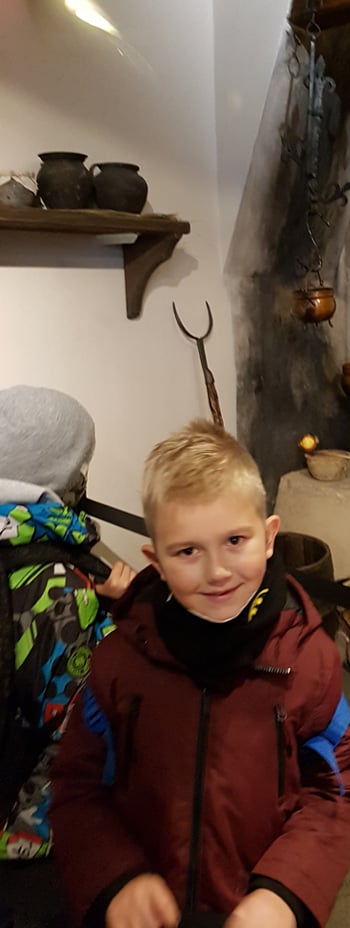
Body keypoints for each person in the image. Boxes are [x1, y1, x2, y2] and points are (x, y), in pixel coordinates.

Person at [49, 419, 350, 928]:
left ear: (269, 538)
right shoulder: (120, 662)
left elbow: (338, 790)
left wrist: (287, 892)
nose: (217, 571)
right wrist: (114, 877)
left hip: (254, 906)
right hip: (148, 910)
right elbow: (76, 787)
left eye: (235, 540)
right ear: (156, 560)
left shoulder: (309, 662)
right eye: (188, 551)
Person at [0, 385, 136, 927]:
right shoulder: (59, 585)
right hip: (29, 828)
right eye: (81, 464)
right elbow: (89, 709)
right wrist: (121, 615)